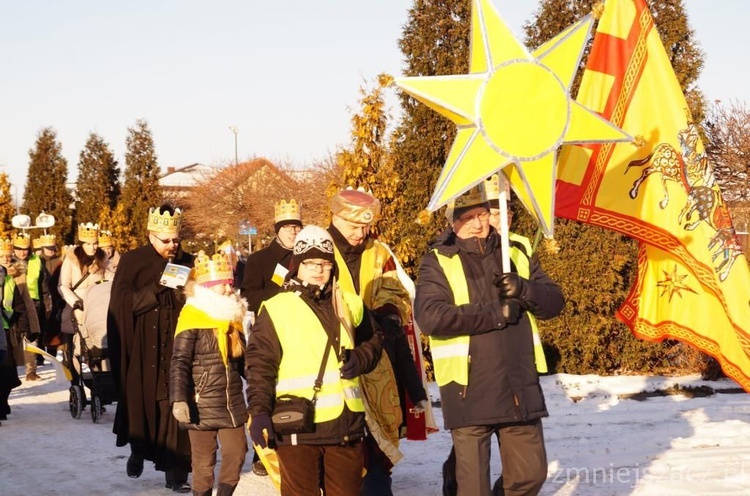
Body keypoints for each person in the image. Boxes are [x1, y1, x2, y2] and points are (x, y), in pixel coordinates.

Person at [414, 184, 565, 496]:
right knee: (473, 490)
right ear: (452, 223)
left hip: (518, 386)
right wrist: (495, 313)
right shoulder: (438, 261)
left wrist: (525, 289)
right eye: (467, 217)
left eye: (481, 214)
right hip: (468, 389)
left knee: (530, 476)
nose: (477, 223)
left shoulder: (515, 252)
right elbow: (431, 317)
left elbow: (554, 303)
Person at [245, 225, 383, 496]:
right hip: (297, 426)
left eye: (325, 263)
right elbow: (260, 366)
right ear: (297, 265)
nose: (318, 270)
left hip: (345, 425)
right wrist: (259, 411)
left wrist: (361, 357)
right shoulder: (276, 308)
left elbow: (375, 339)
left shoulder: (349, 303)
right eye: (310, 263)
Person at [328, 188, 428, 495]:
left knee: (377, 451)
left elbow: (395, 292)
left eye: (366, 227)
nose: (361, 233)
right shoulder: (318, 250)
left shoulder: (380, 253)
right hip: (332, 360)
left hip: (378, 358)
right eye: (354, 226)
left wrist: (386, 317)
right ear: (336, 217)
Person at [109, 204, 194, 493]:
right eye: (166, 240)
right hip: (142, 347)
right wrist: (157, 287)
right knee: (142, 406)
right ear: (150, 235)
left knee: (177, 406)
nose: (173, 245)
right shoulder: (133, 261)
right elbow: (121, 306)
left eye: (176, 239)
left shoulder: (187, 261)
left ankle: (176, 473)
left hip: (177, 347)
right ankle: (138, 449)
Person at [170, 253, 249, 496]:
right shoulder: (192, 317)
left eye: (230, 282)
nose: (229, 288)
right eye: (223, 284)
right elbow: (180, 361)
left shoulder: (232, 319)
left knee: (237, 453)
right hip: (201, 402)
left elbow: (245, 362)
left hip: (231, 402)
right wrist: (179, 399)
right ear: (209, 288)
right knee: (203, 464)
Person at [239, 198, 302, 477]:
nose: (293, 231)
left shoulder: (308, 257)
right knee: (267, 390)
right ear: (278, 229)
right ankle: (261, 453)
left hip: (303, 333)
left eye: (297, 226)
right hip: (272, 332)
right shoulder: (260, 259)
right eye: (288, 227)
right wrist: (282, 293)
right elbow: (250, 296)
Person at [58, 223, 110, 386]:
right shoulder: (71, 258)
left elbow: (110, 279)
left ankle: (100, 384)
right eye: (89, 244)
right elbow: (63, 285)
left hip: (98, 307)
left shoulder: (102, 258)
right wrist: (75, 301)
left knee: (98, 348)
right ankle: (76, 383)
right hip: (76, 308)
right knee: (75, 350)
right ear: (82, 243)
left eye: (95, 243)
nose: (93, 247)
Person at [0, 239, 29, 423]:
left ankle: (3, 402)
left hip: (8, 330)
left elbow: (20, 305)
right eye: (1, 256)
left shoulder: (12, 280)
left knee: (8, 373)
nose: (5, 260)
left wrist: (24, 327)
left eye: (7, 257)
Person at [11, 232, 45, 381]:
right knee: (12, 336)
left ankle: (31, 370)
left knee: (31, 335)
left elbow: (42, 281)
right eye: (19, 249)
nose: (22, 252)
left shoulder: (35, 260)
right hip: (13, 302)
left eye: (25, 249)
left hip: (33, 301)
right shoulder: (9, 261)